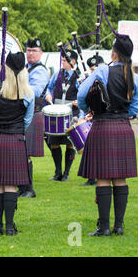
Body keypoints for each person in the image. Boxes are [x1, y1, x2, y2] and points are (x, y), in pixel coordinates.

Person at [77, 35, 138, 236]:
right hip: (123, 127)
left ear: (114, 52)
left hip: (103, 126)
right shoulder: (135, 77)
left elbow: (81, 94)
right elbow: (134, 110)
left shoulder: (104, 70)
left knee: (104, 177)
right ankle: (119, 226)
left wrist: (89, 108)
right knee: (120, 178)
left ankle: (104, 227)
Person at [0, 52, 34, 235]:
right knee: (10, 184)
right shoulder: (28, 93)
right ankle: (10, 226)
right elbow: (27, 121)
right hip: (16, 140)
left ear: (7, 69)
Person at [45, 50, 84, 182]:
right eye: (62, 60)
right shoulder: (57, 74)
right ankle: (58, 173)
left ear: (73, 62)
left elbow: (83, 93)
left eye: (65, 60)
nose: (63, 62)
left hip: (71, 113)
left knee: (70, 144)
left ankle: (66, 174)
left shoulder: (79, 76)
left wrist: (80, 101)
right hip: (56, 112)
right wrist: (48, 94)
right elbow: (49, 88)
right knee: (54, 143)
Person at [20, 38, 49, 198]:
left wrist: (16, 88)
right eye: (29, 50)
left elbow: (36, 91)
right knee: (21, 151)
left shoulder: (40, 71)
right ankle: (23, 187)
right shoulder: (25, 68)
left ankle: (29, 189)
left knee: (25, 152)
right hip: (25, 112)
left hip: (33, 112)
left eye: (34, 50)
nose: (30, 53)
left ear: (41, 53)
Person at [81, 54, 105, 186]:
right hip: (93, 116)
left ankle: (97, 177)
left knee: (98, 149)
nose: (92, 72)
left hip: (100, 117)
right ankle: (91, 177)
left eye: (93, 69)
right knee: (92, 148)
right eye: (91, 70)